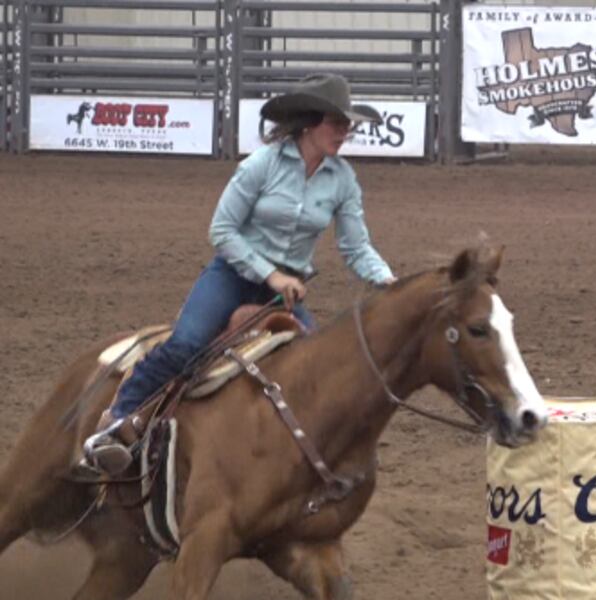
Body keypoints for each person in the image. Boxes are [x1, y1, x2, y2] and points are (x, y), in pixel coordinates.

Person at [83, 73, 397, 474]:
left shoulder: (343, 180)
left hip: (284, 292)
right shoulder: (261, 165)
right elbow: (222, 230)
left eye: (347, 125)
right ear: (310, 123)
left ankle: (314, 461)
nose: (344, 133)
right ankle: (116, 420)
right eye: (337, 123)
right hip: (232, 277)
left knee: (318, 370)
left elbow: (355, 246)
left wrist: (387, 280)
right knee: (186, 345)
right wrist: (272, 275)